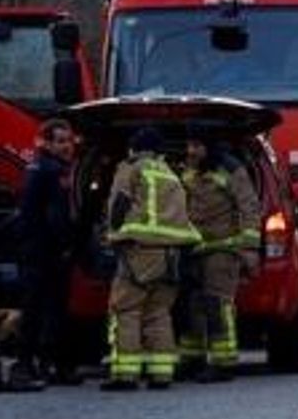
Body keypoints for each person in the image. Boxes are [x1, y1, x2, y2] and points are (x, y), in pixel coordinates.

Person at [102, 127, 200, 391]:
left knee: (127, 311)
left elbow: (119, 204)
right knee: (158, 313)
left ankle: (125, 375)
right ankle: (161, 374)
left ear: (134, 148)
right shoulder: (171, 174)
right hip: (172, 254)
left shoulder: (131, 167)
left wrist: (112, 234)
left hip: (139, 250)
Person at [177, 137, 260, 383]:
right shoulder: (189, 169)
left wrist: (250, 248)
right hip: (193, 249)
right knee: (191, 305)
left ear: (208, 147)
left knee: (217, 305)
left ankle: (223, 362)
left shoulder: (232, 170)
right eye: (189, 145)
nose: (190, 150)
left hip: (223, 250)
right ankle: (192, 358)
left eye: (196, 145)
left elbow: (249, 208)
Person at [9, 119, 79, 390]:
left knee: (41, 309)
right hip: (46, 251)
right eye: (60, 141)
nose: (66, 146)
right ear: (47, 143)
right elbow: (56, 216)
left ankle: (46, 365)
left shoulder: (36, 167)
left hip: (33, 248)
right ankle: (33, 367)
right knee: (46, 310)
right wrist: (67, 245)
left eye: (69, 140)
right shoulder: (54, 171)